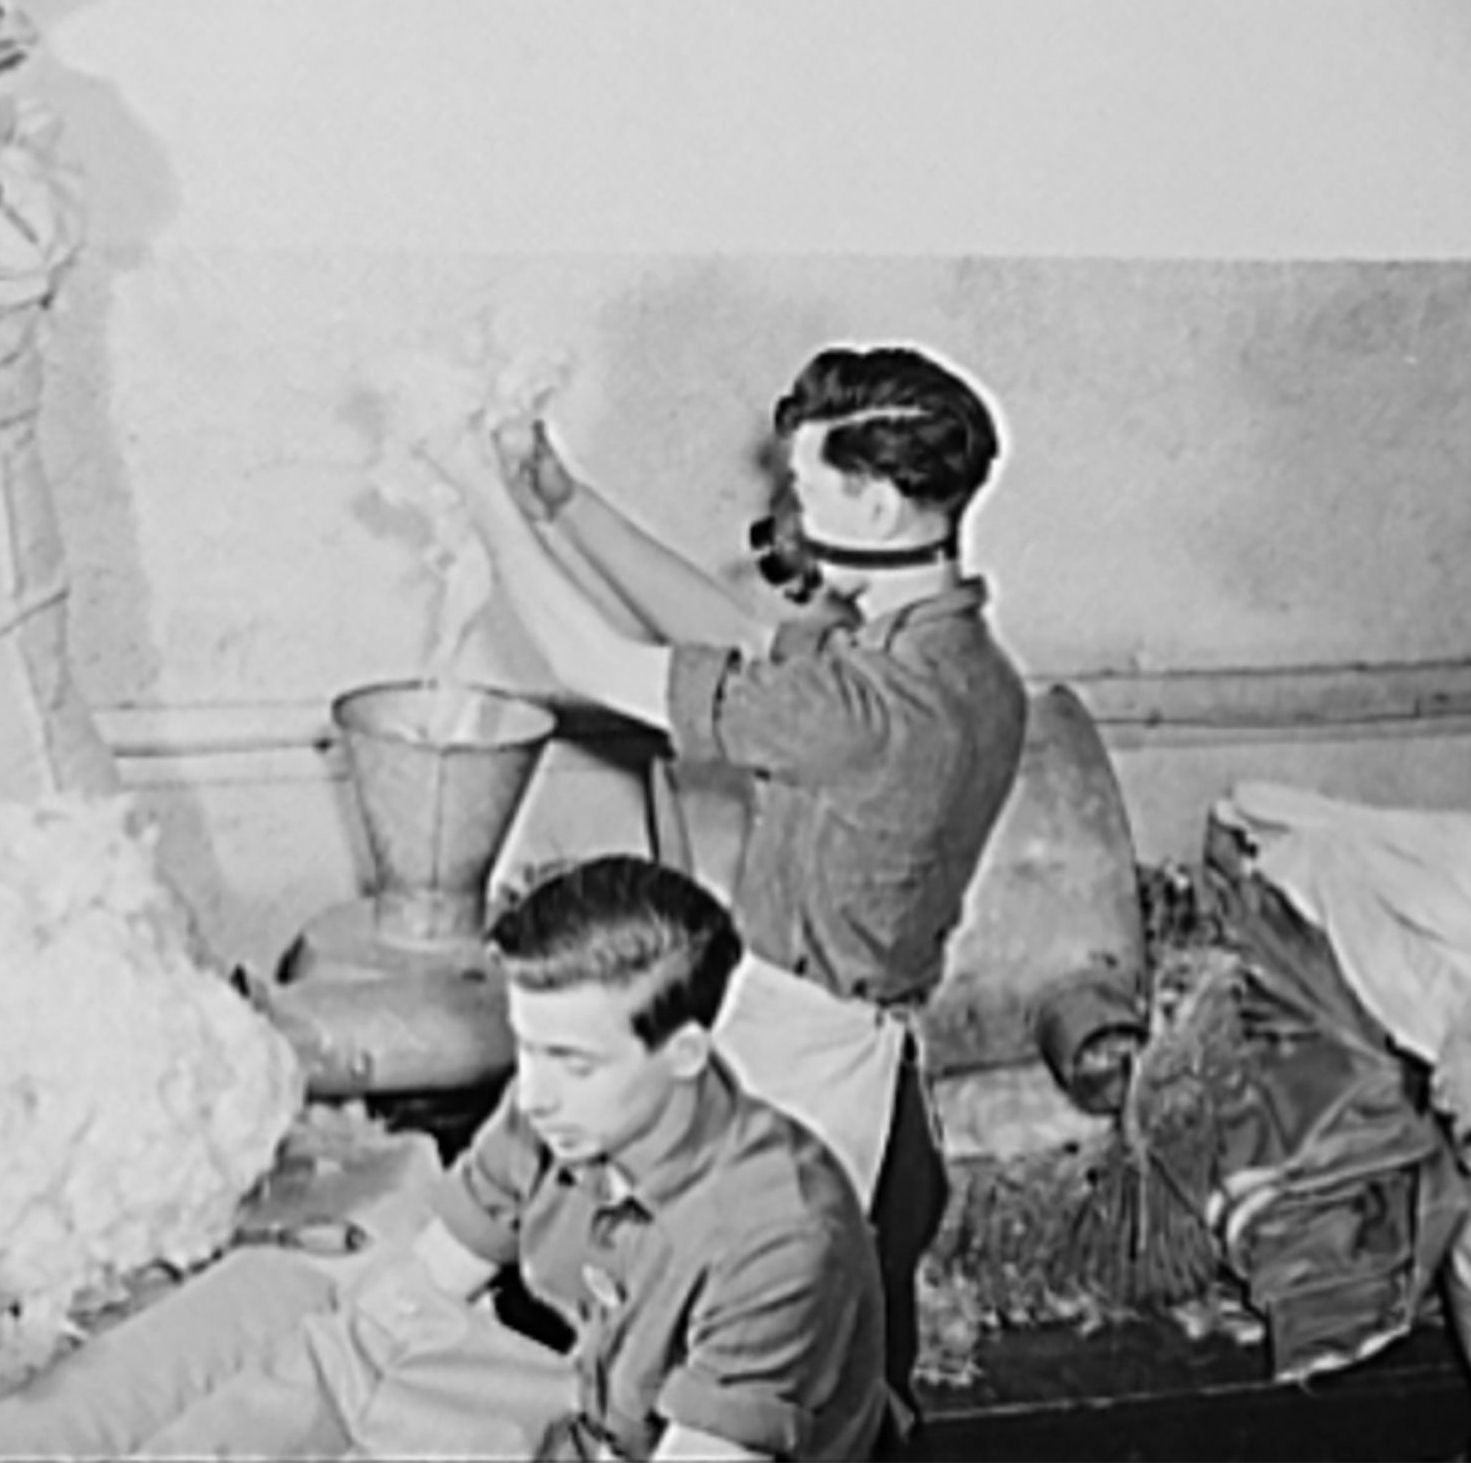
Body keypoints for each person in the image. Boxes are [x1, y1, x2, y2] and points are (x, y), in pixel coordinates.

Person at [428, 343, 1031, 1431]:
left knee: (704, 1355)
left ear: (881, 508)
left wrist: (476, 491)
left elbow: (599, 663)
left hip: (795, 1051)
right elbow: (728, 638)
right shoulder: (953, 666)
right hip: (848, 1037)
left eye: (805, 490)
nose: (789, 514)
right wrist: (560, 501)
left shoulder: (870, 713)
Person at [403, 852, 887, 1462]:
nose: (534, 1094)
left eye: (575, 1063)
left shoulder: (782, 1237)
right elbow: (412, 1301)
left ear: (685, 1054)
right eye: (528, 1049)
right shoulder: (556, 1116)